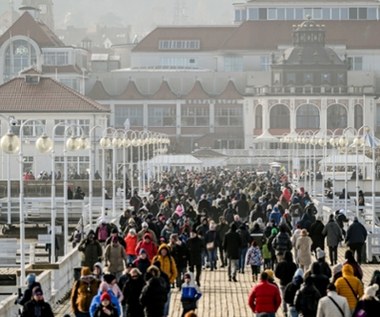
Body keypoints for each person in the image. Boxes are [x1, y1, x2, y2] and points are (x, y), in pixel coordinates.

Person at [275, 250, 297, 316]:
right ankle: (291, 309)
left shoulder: (280, 264)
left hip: (283, 282)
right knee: (291, 296)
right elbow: (295, 274)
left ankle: (285, 311)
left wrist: (281, 277)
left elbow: (276, 274)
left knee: (284, 297)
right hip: (291, 283)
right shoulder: (293, 265)